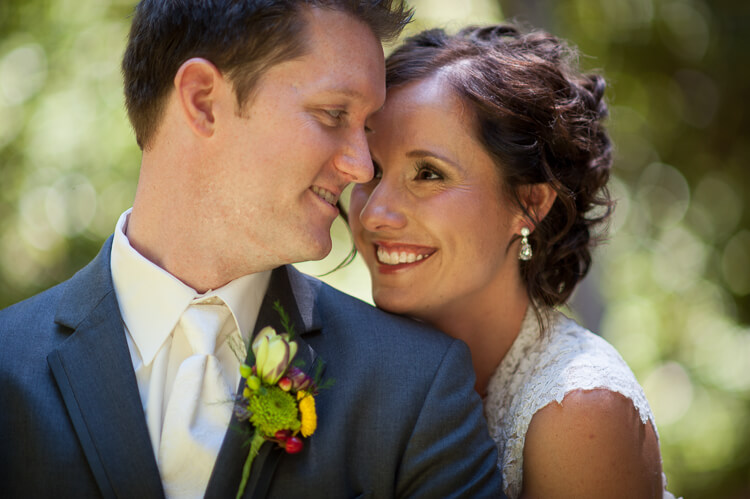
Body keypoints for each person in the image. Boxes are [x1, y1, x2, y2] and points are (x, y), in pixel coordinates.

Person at [0, 2, 504, 498]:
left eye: (365, 130)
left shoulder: (414, 387)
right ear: (202, 101)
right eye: (333, 115)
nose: (362, 168)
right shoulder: (7, 363)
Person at [349, 24, 676, 498]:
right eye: (372, 171)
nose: (375, 213)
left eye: (427, 174)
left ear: (529, 204)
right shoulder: (349, 359)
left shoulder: (579, 410)